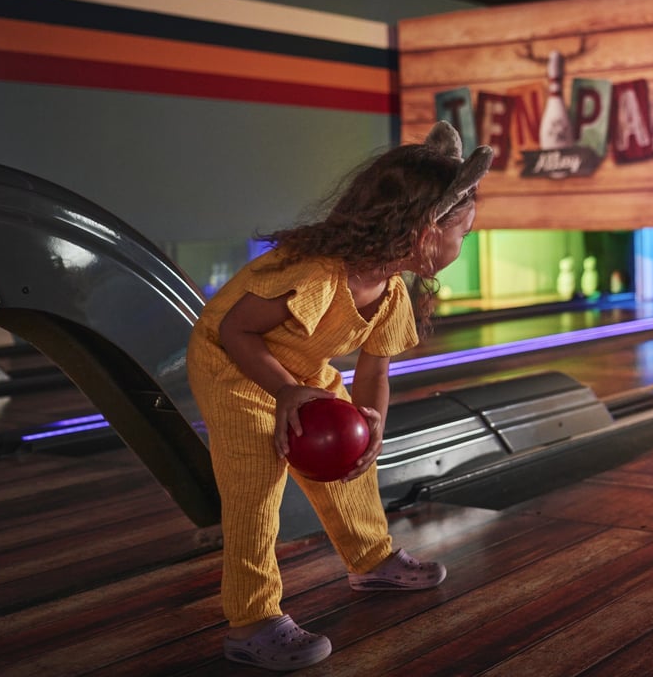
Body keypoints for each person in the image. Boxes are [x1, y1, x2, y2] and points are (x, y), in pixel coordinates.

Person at [186, 121, 492, 671]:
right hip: (232, 365)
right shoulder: (316, 273)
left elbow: (375, 370)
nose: (464, 243)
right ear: (424, 229)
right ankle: (252, 621)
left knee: (353, 465)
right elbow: (236, 332)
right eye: (462, 234)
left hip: (298, 370)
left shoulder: (390, 289)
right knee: (256, 487)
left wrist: (371, 421)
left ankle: (371, 561)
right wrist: (283, 391)